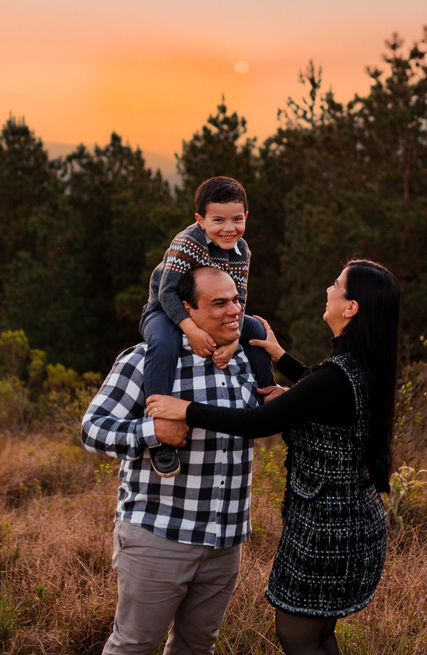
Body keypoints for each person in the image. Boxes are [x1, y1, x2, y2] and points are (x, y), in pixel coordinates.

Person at [146, 259, 400, 655]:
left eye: (337, 285)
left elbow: (259, 422)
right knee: (318, 635)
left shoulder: (338, 376)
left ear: (350, 308)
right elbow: (321, 392)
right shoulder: (361, 365)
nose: (329, 290)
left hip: (329, 530)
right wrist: (281, 357)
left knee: (298, 635)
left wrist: (185, 410)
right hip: (352, 520)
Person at [81, 266, 261, 655]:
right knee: (134, 646)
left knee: (197, 648)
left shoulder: (244, 359)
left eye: (236, 300)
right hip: (159, 535)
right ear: (185, 309)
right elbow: (92, 429)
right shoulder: (147, 360)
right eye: (219, 303)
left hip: (225, 540)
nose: (234, 310)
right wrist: (153, 433)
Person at [139, 175, 274, 477]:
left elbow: (238, 300)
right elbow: (167, 292)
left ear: (246, 217)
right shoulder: (188, 242)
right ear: (200, 219)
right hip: (164, 310)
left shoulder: (242, 252)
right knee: (164, 343)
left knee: (256, 329)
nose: (229, 228)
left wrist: (232, 341)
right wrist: (192, 330)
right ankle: (160, 429)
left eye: (237, 219)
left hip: (212, 313)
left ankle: (267, 395)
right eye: (218, 220)